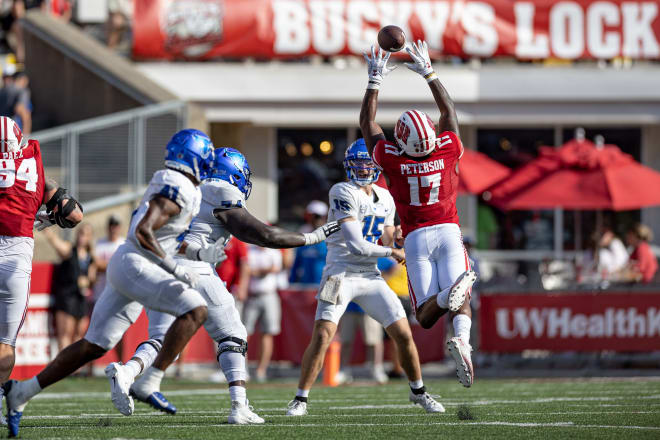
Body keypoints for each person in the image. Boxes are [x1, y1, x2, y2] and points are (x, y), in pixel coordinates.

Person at [3, 128, 219, 437]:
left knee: (92, 346)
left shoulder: (178, 184)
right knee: (196, 310)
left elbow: (163, 235)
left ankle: (21, 393)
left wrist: (197, 251)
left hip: (129, 263)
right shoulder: (180, 186)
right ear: (194, 158)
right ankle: (149, 381)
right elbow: (144, 231)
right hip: (139, 265)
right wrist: (177, 268)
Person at [107, 147, 340, 424]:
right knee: (233, 333)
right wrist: (310, 238)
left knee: (164, 339)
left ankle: (128, 371)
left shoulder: (186, 187)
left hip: (163, 266)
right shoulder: (220, 190)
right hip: (196, 269)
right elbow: (262, 234)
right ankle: (239, 406)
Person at [286, 139, 443, 416]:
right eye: (357, 164)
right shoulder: (342, 191)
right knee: (323, 334)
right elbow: (357, 244)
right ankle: (300, 398)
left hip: (371, 276)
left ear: (376, 167)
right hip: (340, 273)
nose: (362, 169)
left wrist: (397, 236)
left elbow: (386, 231)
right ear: (348, 166)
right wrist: (392, 252)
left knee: (403, 333)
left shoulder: (385, 197)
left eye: (367, 164)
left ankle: (418, 391)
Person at [359, 42, 477, 388]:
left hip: (415, 238)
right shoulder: (448, 149)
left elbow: (367, 122)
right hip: (449, 231)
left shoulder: (393, 159)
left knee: (425, 316)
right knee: (462, 300)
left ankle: (444, 298)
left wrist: (374, 80)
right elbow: (449, 112)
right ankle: (463, 340)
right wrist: (430, 72)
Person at [0, 116, 83, 431]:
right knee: (5, 343)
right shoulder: (31, 159)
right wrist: (42, 216)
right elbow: (74, 214)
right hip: (16, 257)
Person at [43, 224, 95, 352]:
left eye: (86, 234)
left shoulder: (90, 257)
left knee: (79, 333)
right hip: (67, 297)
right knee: (65, 333)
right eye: (81, 233)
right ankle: (63, 365)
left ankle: (76, 368)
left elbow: (92, 276)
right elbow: (57, 244)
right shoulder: (70, 250)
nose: (83, 237)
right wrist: (48, 232)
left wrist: (88, 281)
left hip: (81, 298)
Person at [244, 244, 282, 382]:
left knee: (267, 333)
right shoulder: (250, 250)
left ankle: (261, 370)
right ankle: (242, 369)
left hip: (269, 294)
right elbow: (247, 269)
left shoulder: (274, 251)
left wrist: (257, 271)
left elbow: (276, 268)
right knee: (244, 333)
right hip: (252, 295)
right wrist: (262, 271)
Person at [93, 214, 125, 358]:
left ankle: (121, 362)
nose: (113, 228)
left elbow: (121, 267)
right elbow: (95, 264)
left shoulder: (123, 243)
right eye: (111, 225)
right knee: (95, 331)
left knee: (119, 332)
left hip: (118, 295)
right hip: (100, 293)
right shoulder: (99, 244)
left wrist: (104, 265)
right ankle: (89, 368)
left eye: (116, 225)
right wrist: (111, 265)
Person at [335, 302, 387, 384]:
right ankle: (343, 370)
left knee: (374, 341)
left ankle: (377, 369)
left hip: (369, 308)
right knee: (346, 341)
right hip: (348, 308)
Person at [289, 201, 329, 284]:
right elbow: (297, 263)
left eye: (317, 216)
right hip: (305, 288)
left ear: (325, 217)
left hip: (324, 288)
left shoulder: (333, 238)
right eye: (311, 216)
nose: (314, 220)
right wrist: (292, 283)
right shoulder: (303, 236)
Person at [0, 69, 31, 135]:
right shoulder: (22, 91)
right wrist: (25, 137)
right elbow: (21, 111)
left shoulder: (2, 91)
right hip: (12, 133)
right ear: (22, 79)